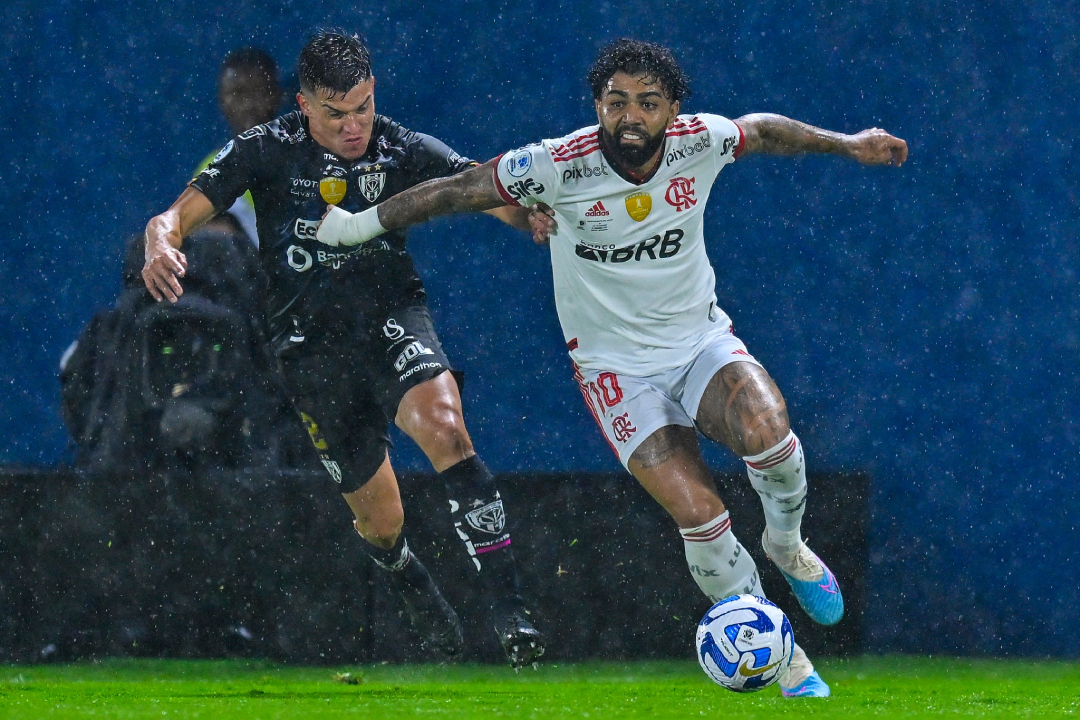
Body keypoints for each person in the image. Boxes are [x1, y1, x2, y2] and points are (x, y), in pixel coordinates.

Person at [315, 38, 909, 696]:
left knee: (770, 430)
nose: (630, 116)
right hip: (614, 370)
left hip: (697, 342)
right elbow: (458, 189)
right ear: (598, 104)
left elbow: (765, 131)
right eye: (616, 101)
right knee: (700, 512)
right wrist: (357, 226)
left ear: (673, 109)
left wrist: (848, 142)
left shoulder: (700, 141)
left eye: (648, 103)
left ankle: (787, 545)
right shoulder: (556, 164)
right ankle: (783, 653)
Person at [143, 30, 545, 668]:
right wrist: (159, 243)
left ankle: (512, 614)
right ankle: (405, 572)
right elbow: (173, 217)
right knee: (380, 523)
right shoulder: (263, 150)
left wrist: (533, 214)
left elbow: (483, 187)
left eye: (361, 107)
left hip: (392, 318)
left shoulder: (401, 146)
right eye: (335, 113)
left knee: (446, 428)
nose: (353, 125)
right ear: (303, 104)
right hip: (308, 349)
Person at [193, 48, 285, 245]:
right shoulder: (212, 165)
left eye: (258, 92)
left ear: (277, 95)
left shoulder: (305, 157)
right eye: (237, 93)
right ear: (221, 99)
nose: (247, 104)